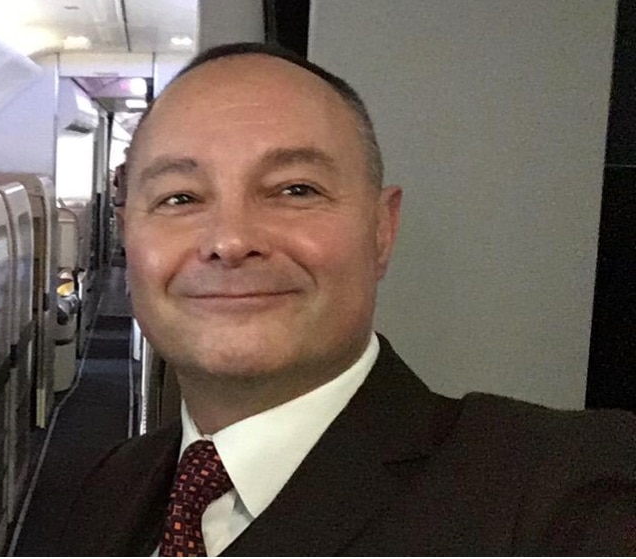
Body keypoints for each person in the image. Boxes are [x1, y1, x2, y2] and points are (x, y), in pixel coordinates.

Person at [59, 42, 636, 556]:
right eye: (180, 198)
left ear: (382, 231)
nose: (231, 241)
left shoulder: (560, 491)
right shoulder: (115, 485)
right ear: (128, 234)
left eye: (295, 189)